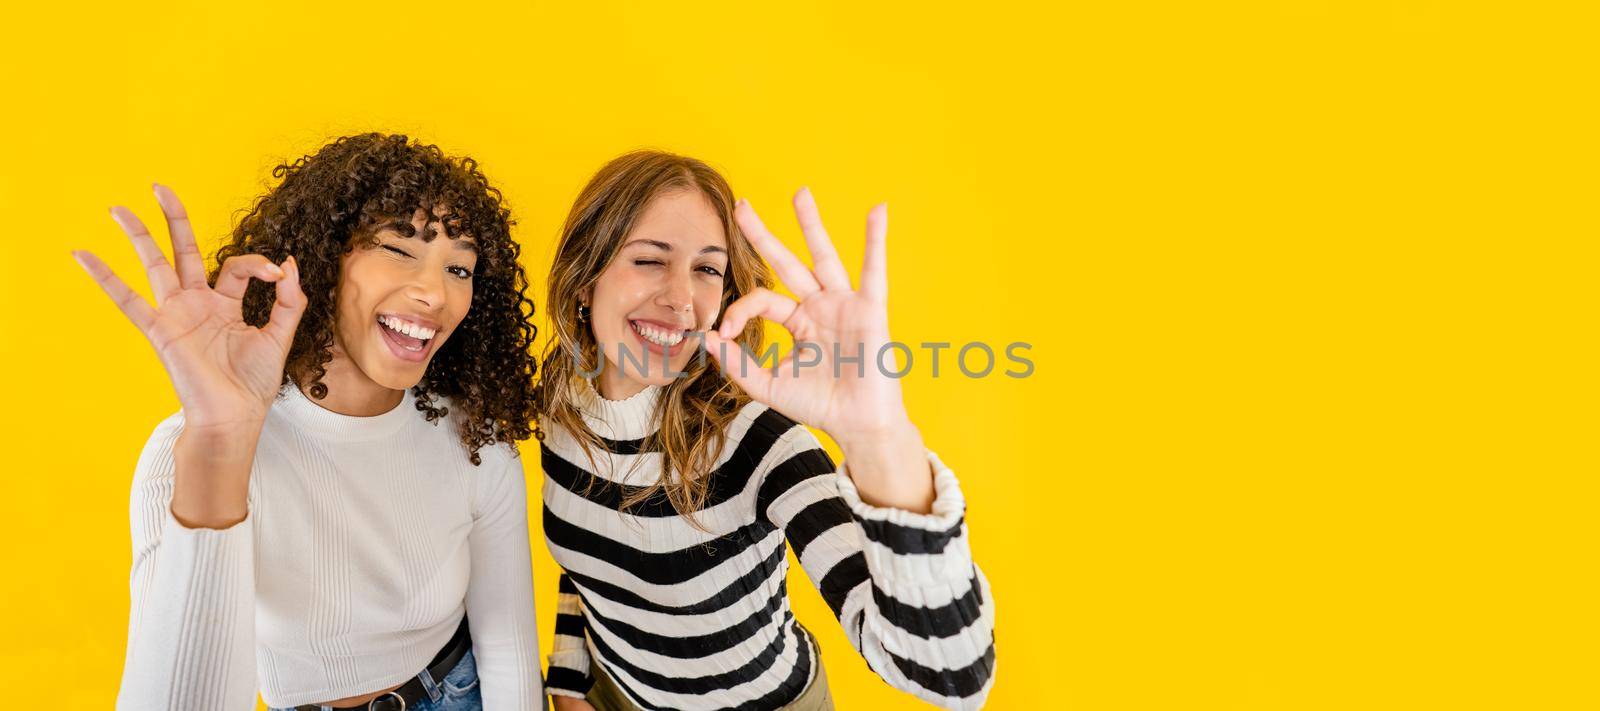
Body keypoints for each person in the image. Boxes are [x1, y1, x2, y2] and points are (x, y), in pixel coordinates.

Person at [73, 133, 544, 711]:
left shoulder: (477, 442)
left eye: (460, 269)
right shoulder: (186, 453)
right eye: (398, 249)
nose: (435, 293)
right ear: (323, 258)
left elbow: (509, 653)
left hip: (455, 692)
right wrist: (222, 445)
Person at [536, 151, 996, 710]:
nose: (681, 298)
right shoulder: (558, 407)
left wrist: (879, 437)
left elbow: (952, 677)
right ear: (585, 280)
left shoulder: (758, 446)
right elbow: (591, 562)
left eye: (707, 269)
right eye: (651, 260)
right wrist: (568, 680)